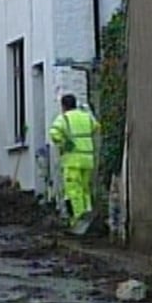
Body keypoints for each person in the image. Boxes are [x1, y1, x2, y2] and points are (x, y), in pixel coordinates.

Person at [48, 93, 101, 235]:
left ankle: (78, 223)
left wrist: (64, 143)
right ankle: (88, 219)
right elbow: (96, 127)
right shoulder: (86, 116)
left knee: (74, 191)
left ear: (63, 106)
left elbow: (54, 134)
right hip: (88, 160)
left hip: (72, 161)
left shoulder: (64, 118)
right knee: (85, 190)